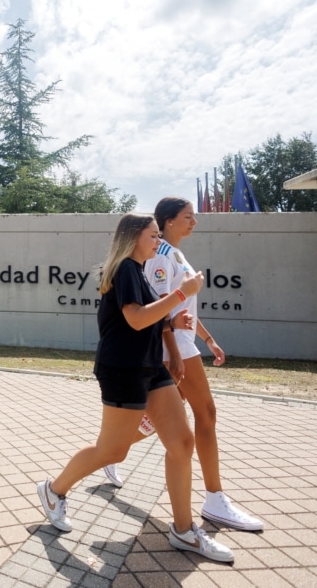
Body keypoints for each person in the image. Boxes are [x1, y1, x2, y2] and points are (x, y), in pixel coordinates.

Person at [37, 213, 235, 563]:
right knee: (113, 451)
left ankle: (184, 530)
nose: (158, 241)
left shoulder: (141, 272)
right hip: (123, 369)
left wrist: (173, 326)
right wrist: (182, 294)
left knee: (182, 441)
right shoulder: (126, 268)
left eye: (159, 235)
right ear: (132, 238)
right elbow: (135, 318)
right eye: (152, 235)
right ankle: (54, 491)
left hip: (150, 366)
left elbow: (150, 319)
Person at [102, 198, 263, 532]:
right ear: (169, 221)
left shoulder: (175, 255)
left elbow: (183, 309)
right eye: (188, 216)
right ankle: (214, 498)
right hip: (169, 347)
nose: (195, 222)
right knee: (206, 414)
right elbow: (157, 309)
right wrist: (174, 354)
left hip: (183, 344)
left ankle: (108, 454)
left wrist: (208, 338)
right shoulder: (159, 258)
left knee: (157, 422)